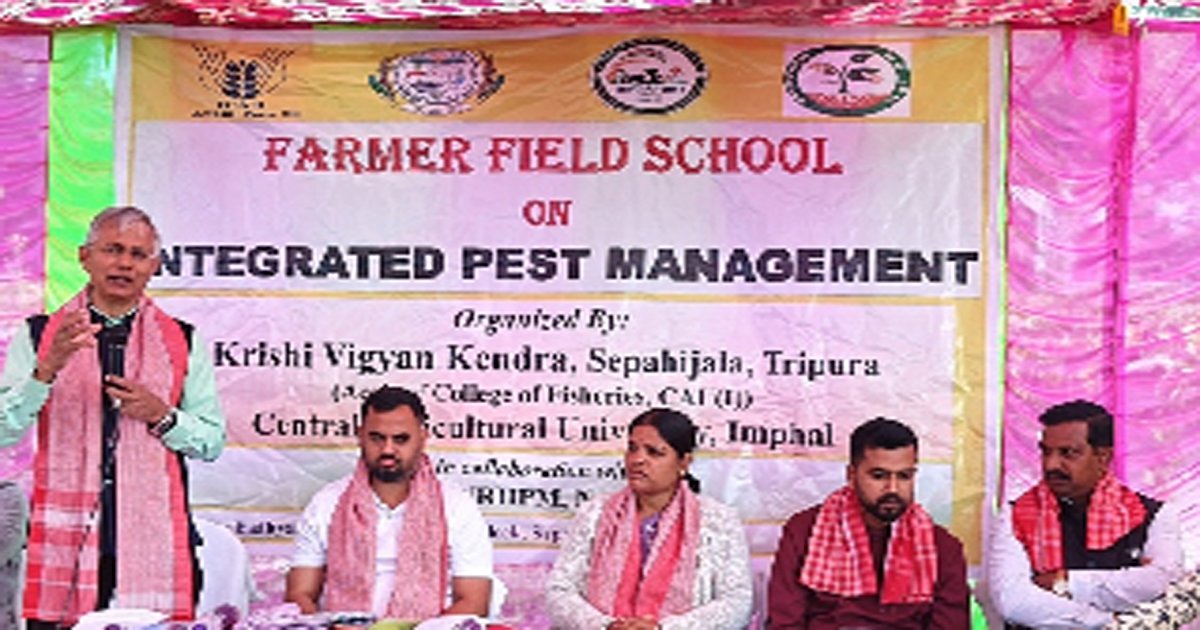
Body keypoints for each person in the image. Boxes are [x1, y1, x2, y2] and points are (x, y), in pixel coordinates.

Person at [0, 206, 226, 627]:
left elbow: (211, 442)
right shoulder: (40, 336)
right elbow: (3, 432)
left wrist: (162, 415)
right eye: (113, 250)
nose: (124, 263)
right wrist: (46, 371)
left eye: (138, 255)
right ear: (85, 257)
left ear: (154, 267)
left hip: (153, 544)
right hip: (63, 544)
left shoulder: (183, 341)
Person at [286, 385, 493, 620]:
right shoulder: (326, 503)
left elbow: (474, 602)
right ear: (360, 435)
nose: (387, 449)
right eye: (377, 438)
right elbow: (300, 594)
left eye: (401, 439)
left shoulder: (457, 506)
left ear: (423, 438)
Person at [546, 408, 753, 630]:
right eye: (632, 448)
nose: (637, 459)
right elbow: (560, 590)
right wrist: (608, 626)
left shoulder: (717, 521)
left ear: (684, 462)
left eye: (654, 452)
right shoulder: (595, 514)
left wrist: (663, 628)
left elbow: (736, 603)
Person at [986, 400, 1184, 629]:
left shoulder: (1155, 516)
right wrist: (1110, 622)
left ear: (1103, 457)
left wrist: (1067, 583)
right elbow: (1013, 601)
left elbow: (1164, 586)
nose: (1051, 465)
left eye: (1068, 453)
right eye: (1046, 452)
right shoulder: (1015, 515)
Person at [766, 417, 970, 629]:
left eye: (904, 476)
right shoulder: (805, 532)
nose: (893, 489)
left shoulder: (941, 547)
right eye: (879, 476)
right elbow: (785, 623)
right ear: (851, 475)